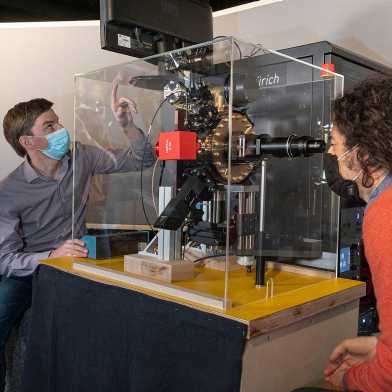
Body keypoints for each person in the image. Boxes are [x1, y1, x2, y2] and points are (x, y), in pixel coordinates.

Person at [0, 82, 154, 391]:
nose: (61, 129)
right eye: (50, 125)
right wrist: (50, 257)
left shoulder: (82, 156)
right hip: (31, 271)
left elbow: (142, 160)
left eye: (57, 121)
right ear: (28, 141)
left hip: (78, 262)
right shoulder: (9, 191)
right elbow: (5, 260)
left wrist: (126, 125)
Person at [292, 77, 392, 392]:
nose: (331, 152)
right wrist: (379, 346)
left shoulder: (384, 215)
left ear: (362, 156)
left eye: (335, 142)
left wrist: (347, 381)